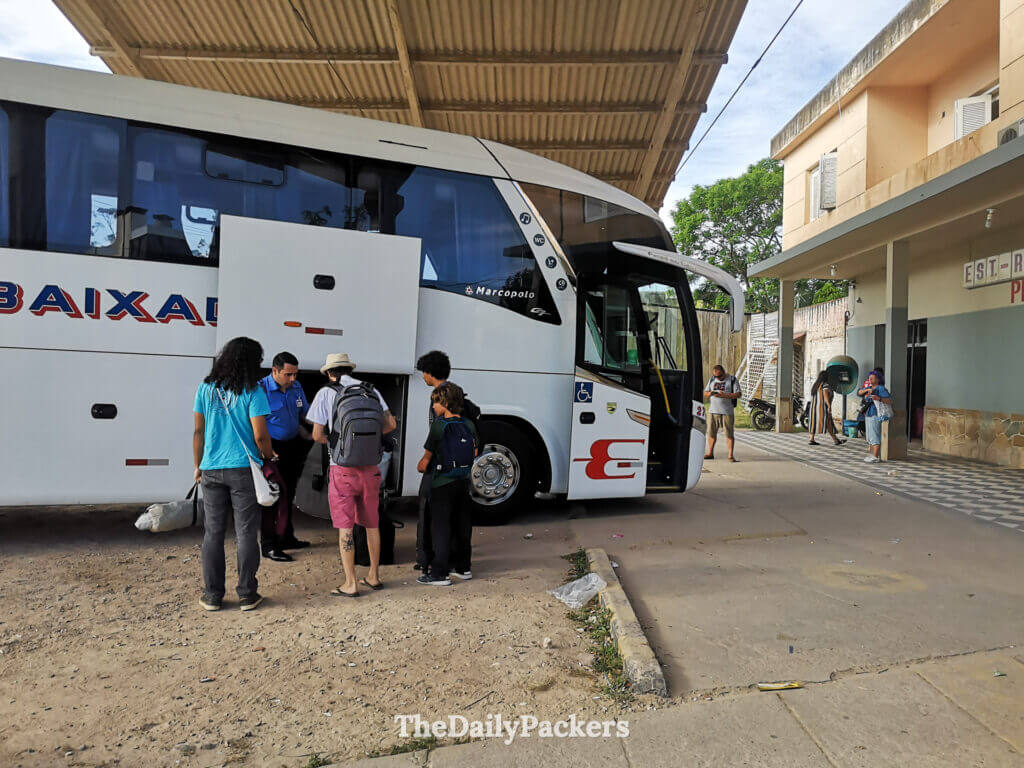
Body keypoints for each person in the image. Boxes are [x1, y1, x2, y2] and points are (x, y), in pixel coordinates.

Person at [192, 337, 275, 612]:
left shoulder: (205, 388)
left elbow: (198, 432)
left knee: (213, 533)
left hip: (211, 468)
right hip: (243, 469)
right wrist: (269, 456)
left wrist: (198, 465)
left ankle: (212, 595)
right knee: (246, 532)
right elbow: (260, 434)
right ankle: (247, 595)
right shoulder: (254, 390)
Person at [307, 353, 397, 597]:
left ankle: (350, 583)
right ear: (349, 369)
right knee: (371, 524)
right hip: (370, 468)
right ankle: (374, 576)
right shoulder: (370, 391)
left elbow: (316, 434)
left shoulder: (326, 393)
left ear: (329, 372)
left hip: (342, 469)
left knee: (345, 527)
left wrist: (337, 443)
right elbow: (390, 425)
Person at [413, 350, 481, 579]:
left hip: (439, 472)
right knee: (461, 520)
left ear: (430, 373)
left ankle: (432, 564)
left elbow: (429, 453)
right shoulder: (459, 398)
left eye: (424, 372)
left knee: (434, 519)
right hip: (461, 475)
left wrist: (425, 464)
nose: (423, 377)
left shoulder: (439, 401)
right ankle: (462, 565)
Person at [258, 352, 313, 562]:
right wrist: (266, 451)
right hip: (271, 449)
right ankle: (269, 545)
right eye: (288, 374)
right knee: (272, 496)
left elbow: (304, 415)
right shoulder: (260, 390)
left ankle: (286, 537)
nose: (293, 379)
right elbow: (254, 425)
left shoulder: (296, 388)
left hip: (292, 446)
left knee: (289, 492)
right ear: (275, 371)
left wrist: (320, 425)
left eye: (295, 374)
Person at [704, 364, 741, 462]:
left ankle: (730, 455)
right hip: (713, 411)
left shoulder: (732, 380)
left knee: (729, 433)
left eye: (719, 376)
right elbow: (706, 392)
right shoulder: (712, 379)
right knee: (711, 433)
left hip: (727, 411)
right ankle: (710, 453)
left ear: (724, 373)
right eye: (716, 376)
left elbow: (738, 394)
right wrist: (712, 393)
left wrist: (725, 395)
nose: (718, 378)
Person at [857, 370, 893, 463]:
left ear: (878, 379)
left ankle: (876, 456)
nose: (870, 378)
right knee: (869, 436)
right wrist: (867, 390)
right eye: (869, 377)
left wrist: (879, 398)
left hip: (875, 414)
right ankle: (873, 455)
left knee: (875, 435)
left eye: (872, 377)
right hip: (868, 414)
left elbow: (889, 400)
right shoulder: (869, 387)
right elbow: (859, 392)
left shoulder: (881, 388)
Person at [807, 369, 846, 446]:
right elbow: (825, 396)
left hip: (814, 408)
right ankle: (836, 440)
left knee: (815, 423)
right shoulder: (825, 385)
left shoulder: (816, 385)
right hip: (822, 408)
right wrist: (829, 406)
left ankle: (812, 439)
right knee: (828, 423)